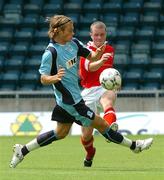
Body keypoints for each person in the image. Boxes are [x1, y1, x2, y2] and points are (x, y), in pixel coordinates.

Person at [10, 15, 153, 168]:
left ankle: (22, 150)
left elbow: (91, 56)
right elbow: (43, 78)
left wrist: (98, 53)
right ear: (59, 31)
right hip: (71, 102)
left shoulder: (74, 43)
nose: (73, 33)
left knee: (61, 133)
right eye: (70, 30)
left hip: (70, 99)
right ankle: (135, 146)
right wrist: (54, 78)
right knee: (102, 124)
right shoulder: (50, 53)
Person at [79, 21, 118, 167]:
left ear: (105, 34)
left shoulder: (109, 49)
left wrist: (115, 81)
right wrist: (101, 60)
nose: (99, 38)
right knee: (86, 134)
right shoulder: (85, 49)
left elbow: (108, 72)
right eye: (96, 35)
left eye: (102, 35)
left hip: (103, 87)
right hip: (88, 92)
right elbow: (90, 68)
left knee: (108, 100)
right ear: (91, 35)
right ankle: (90, 153)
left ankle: (110, 129)